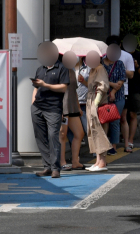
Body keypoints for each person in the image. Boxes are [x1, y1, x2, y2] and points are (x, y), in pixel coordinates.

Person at [31, 42, 68, 179]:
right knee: (40, 137)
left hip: (53, 108)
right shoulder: (40, 68)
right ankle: (47, 167)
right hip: (37, 107)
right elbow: (35, 87)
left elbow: (64, 87)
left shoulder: (62, 68)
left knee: (53, 136)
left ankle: (55, 168)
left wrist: (45, 85)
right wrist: (33, 102)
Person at [84, 51, 112, 172]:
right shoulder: (93, 69)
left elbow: (103, 86)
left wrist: (96, 103)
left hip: (98, 103)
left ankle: (102, 162)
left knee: (99, 131)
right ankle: (98, 161)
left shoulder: (99, 68)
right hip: (92, 102)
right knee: (93, 130)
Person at [106, 36, 134, 154]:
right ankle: (106, 145)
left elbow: (127, 77)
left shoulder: (124, 59)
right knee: (105, 120)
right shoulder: (102, 60)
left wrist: (113, 90)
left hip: (120, 94)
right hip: (105, 95)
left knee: (119, 119)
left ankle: (120, 145)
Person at [59, 52, 86, 171]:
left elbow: (74, 90)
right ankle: (62, 162)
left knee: (79, 133)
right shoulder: (59, 69)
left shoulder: (71, 70)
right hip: (63, 107)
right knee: (62, 135)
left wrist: (79, 107)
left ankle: (75, 161)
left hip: (73, 106)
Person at [123, 36, 140, 149]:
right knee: (121, 115)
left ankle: (130, 140)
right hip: (121, 88)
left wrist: (137, 66)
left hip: (134, 88)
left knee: (133, 114)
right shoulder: (120, 54)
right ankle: (122, 139)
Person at [102, 45, 128, 153]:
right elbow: (99, 79)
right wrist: (111, 84)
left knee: (115, 121)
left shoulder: (120, 63)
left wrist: (113, 92)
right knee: (104, 121)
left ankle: (113, 146)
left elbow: (121, 81)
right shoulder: (100, 63)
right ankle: (104, 144)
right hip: (103, 96)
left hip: (118, 96)